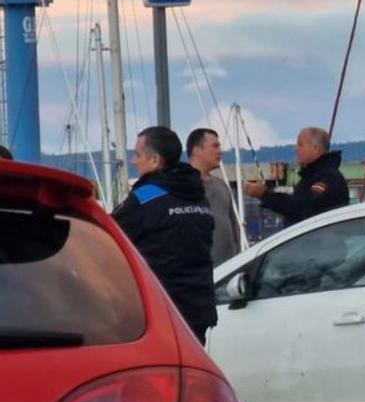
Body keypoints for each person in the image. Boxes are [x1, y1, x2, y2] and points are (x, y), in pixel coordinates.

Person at [113, 126, 217, 344]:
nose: (134, 161)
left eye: (138, 155)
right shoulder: (196, 193)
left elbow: (110, 233)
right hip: (198, 306)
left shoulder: (147, 197)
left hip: (162, 309)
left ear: (155, 161)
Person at [243, 126, 348, 227]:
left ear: (316, 149)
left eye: (300, 145)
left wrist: (264, 195)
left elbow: (302, 207)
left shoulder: (328, 178)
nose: (295, 149)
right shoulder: (312, 176)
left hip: (323, 243)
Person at [187, 127, 242, 266]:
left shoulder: (221, 186)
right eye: (215, 146)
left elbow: (233, 224)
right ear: (197, 150)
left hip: (228, 268)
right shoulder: (182, 185)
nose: (220, 151)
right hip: (199, 269)